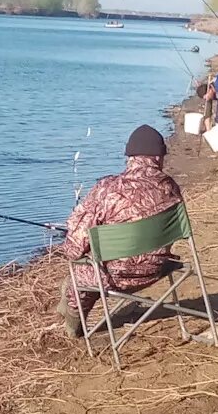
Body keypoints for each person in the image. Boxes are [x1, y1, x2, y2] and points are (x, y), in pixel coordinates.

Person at [58, 124, 184, 337]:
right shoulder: (171, 188)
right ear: (159, 157)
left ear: (130, 157)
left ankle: (73, 330)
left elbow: (73, 249)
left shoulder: (107, 189)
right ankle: (66, 312)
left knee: (75, 279)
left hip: (115, 277)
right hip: (157, 269)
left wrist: (74, 239)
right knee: (87, 272)